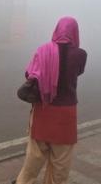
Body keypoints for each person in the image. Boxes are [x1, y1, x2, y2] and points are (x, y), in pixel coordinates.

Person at [13, 17, 87, 184]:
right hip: (66, 114)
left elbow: (29, 74)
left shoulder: (43, 50)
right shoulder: (81, 54)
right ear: (75, 32)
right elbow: (78, 72)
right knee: (61, 163)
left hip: (43, 110)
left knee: (34, 158)